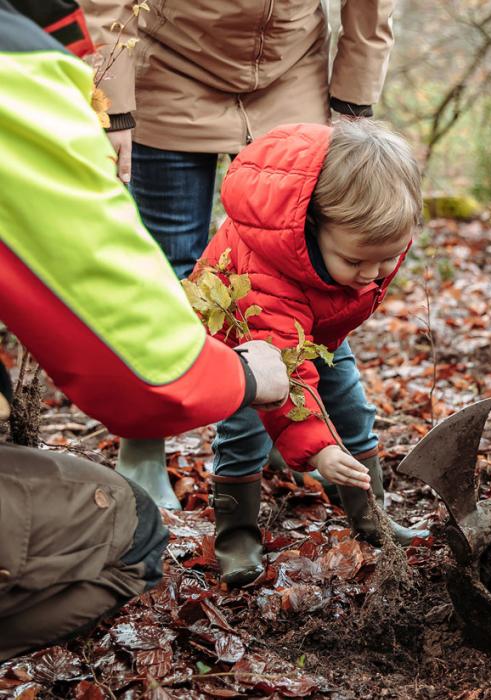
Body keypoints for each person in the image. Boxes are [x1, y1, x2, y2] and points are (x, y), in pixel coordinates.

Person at [0, 0, 289, 658]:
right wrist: (245, 373)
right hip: (170, 91)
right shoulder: (14, 71)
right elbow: (146, 371)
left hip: (270, 84)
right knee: (129, 534)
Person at [82, 0, 396, 504]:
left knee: (302, 274)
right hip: (172, 65)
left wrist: (353, 102)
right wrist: (111, 102)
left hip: (291, 72)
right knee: (171, 273)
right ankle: (143, 440)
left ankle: (290, 428)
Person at [195, 120, 430, 586]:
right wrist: (319, 450)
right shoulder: (267, 274)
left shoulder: (366, 240)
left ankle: (371, 518)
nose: (371, 275)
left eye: (386, 259)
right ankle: (236, 539)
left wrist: (363, 268)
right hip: (252, 348)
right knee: (244, 437)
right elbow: (286, 372)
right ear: (312, 225)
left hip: (317, 337)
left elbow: (314, 344)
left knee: (353, 412)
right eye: (356, 262)